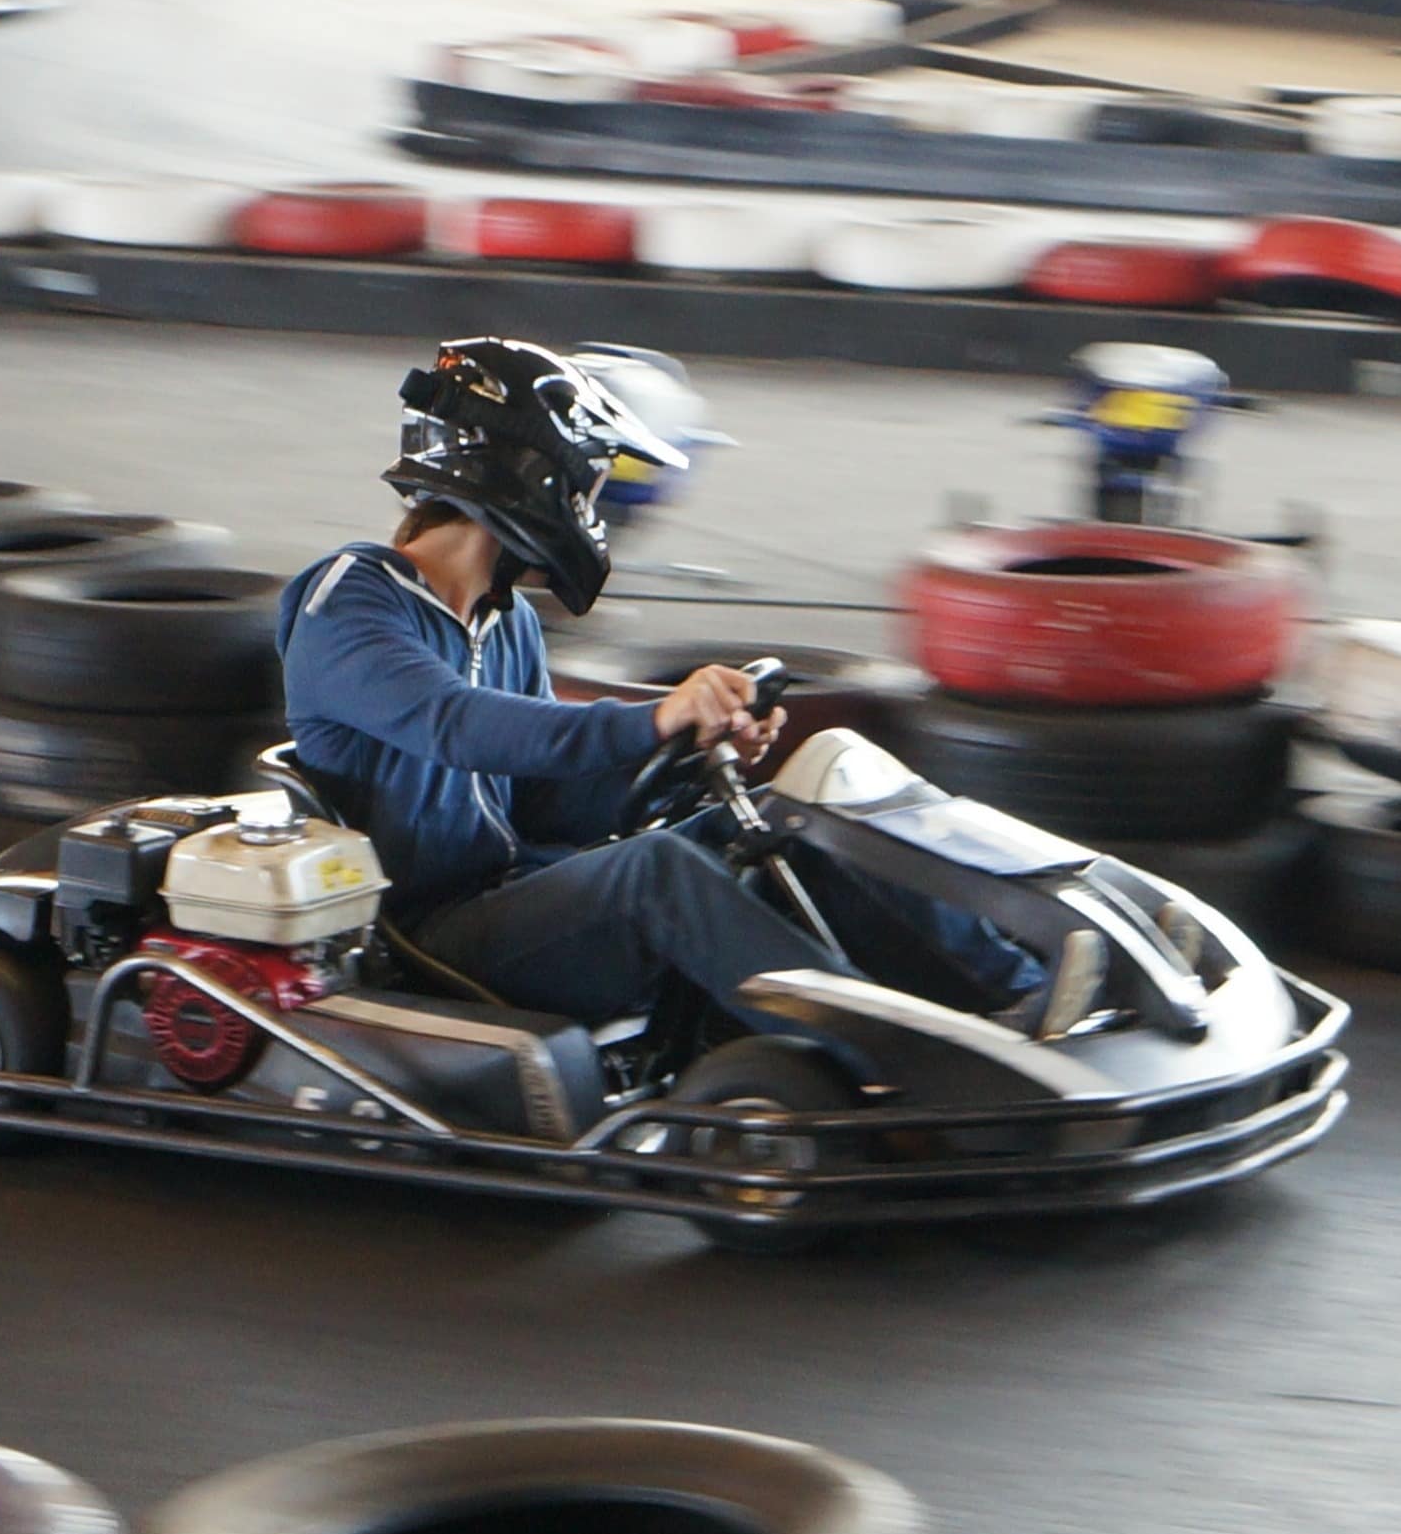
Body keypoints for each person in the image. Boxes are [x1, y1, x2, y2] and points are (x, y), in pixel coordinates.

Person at [275, 337, 1037, 1037]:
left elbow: (544, 798)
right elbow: (454, 723)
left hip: (522, 890)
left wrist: (685, 747)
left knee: (784, 822)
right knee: (656, 873)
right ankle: (879, 1057)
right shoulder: (348, 598)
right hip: (430, 933)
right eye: (589, 482)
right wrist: (653, 716)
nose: (595, 506)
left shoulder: (507, 622)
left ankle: (1015, 1003)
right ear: (525, 471)